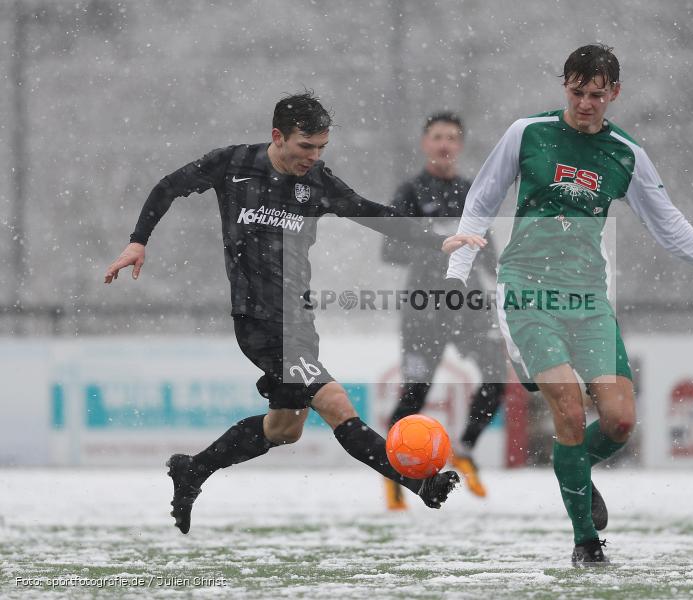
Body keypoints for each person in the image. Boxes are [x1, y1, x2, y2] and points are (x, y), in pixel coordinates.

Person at [443, 45, 693, 566]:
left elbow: (671, 227)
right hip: (527, 292)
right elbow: (481, 200)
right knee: (570, 412)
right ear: (565, 88)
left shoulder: (627, 154)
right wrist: (458, 273)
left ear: (614, 94)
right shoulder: (527, 132)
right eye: (577, 92)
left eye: (597, 94)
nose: (585, 104)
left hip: (587, 298)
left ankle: (575, 471)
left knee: (619, 421)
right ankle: (586, 543)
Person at [104, 92, 486, 534]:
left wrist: (436, 240)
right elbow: (168, 186)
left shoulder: (317, 182)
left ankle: (193, 469)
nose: (314, 157)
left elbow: (370, 213)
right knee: (335, 401)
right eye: (306, 147)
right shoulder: (233, 164)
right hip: (259, 322)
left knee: (284, 428)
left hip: (299, 321)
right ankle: (417, 483)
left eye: (322, 147)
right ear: (277, 137)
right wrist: (138, 240)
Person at [381, 112, 507, 509]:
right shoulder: (410, 192)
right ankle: (394, 473)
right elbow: (389, 249)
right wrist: (437, 242)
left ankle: (465, 449)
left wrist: (506, 282)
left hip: (469, 305)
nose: (444, 145)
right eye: (437, 137)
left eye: (452, 137)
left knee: (495, 379)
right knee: (415, 395)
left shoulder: (474, 192)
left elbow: (489, 253)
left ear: (460, 145)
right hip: (424, 307)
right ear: (425, 143)